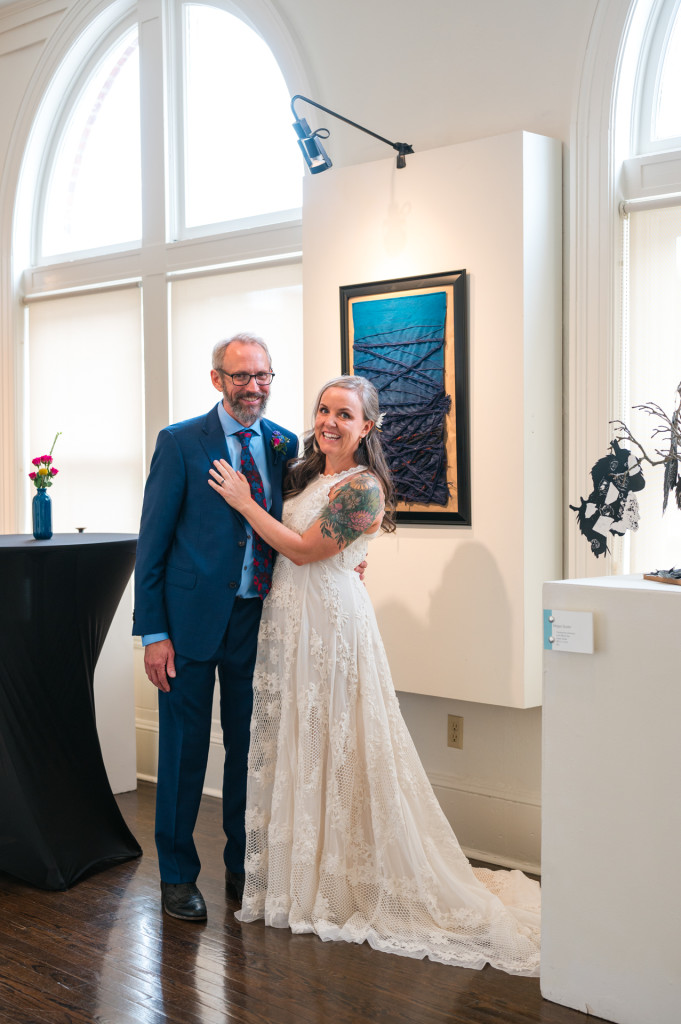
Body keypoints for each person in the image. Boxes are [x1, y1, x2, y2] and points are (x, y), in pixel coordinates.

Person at [208, 374, 541, 975]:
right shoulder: (308, 473)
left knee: (341, 744)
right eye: (322, 410)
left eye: (344, 414)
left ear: (367, 427)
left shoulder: (365, 489)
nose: (329, 422)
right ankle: (300, 875)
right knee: (298, 741)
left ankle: (344, 877)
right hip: (291, 623)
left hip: (332, 630)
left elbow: (307, 550)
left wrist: (243, 500)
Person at [133, 333, 299, 922]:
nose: (253, 387)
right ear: (216, 380)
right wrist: (153, 633)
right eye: (241, 376)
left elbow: (295, 527)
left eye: (263, 376)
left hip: (258, 621)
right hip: (189, 627)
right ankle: (177, 877)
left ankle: (241, 866)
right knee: (182, 755)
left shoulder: (283, 444)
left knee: (248, 754)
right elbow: (150, 547)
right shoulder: (180, 444)